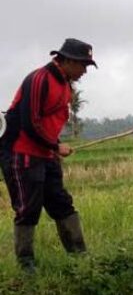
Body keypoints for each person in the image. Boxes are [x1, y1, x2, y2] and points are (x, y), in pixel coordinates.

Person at [0, 38, 97, 272]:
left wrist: (55, 146)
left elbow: (48, 123)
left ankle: (80, 257)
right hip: (21, 153)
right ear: (69, 60)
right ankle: (26, 265)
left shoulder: (65, 84)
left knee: (61, 203)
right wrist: (55, 147)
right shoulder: (39, 79)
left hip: (45, 153)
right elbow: (30, 123)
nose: (85, 71)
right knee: (28, 208)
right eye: (83, 65)